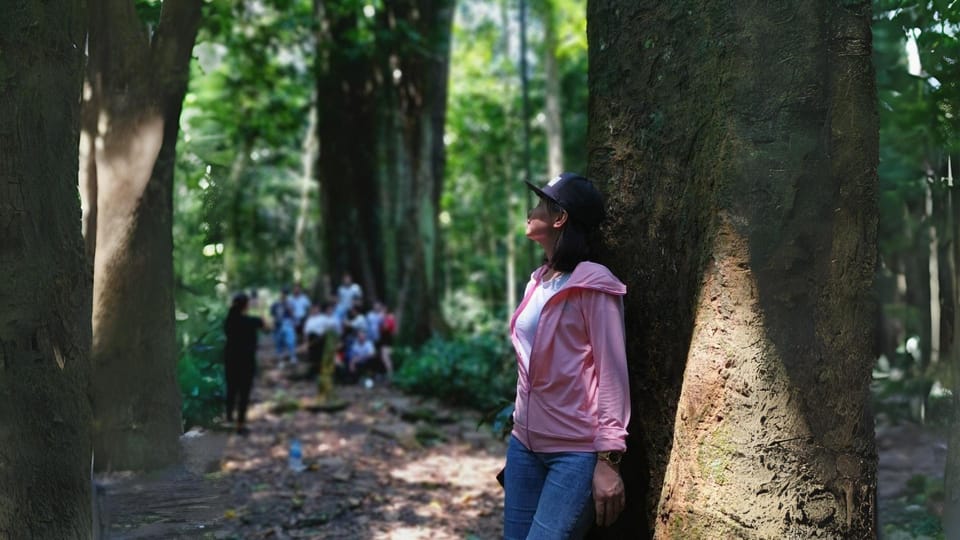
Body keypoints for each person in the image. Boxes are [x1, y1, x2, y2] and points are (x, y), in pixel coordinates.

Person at [503, 172, 630, 539]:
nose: (531, 210)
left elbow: (612, 373)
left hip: (573, 455)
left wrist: (608, 460)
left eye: (540, 204)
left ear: (560, 218)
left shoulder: (594, 283)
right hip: (524, 447)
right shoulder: (537, 280)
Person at [223, 293, 266, 435]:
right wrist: (260, 308)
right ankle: (240, 425)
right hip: (246, 362)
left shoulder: (229, 320)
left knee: (231, 391)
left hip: (231, 361)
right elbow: (266, 325)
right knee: (244, 393)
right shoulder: (251, 321)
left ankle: (229, 420)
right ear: (246, 305)